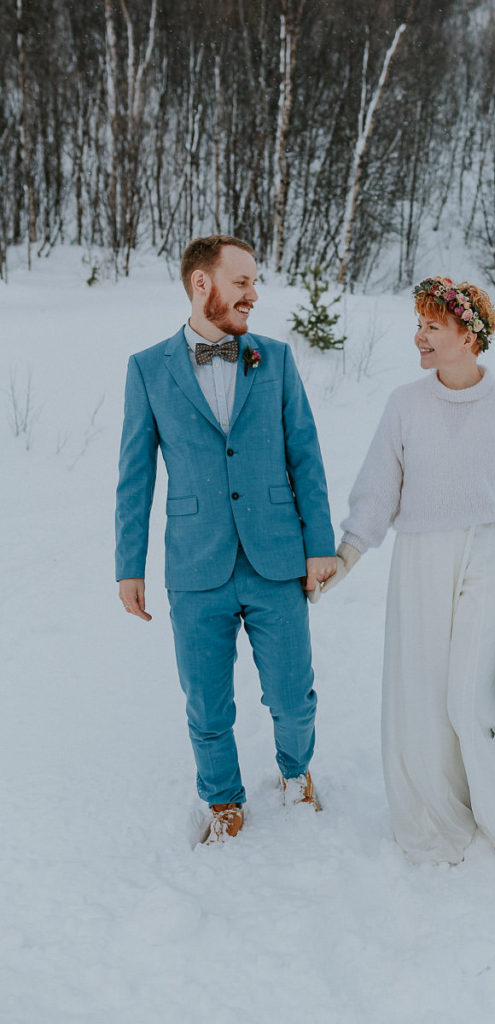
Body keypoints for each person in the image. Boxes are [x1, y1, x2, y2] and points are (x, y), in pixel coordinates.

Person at [320, 276, 495, 870]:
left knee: (471, 696)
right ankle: (437, 819)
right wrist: (345, 557)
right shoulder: (404, 404)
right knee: (422, 696)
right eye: (418, 324)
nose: (419, 336)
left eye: (432, 326)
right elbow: (377, 493)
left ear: (468, 336)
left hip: (488, 556)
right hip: (420, 557)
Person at [115, 235, 336, 844]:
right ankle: (223, 800)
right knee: (207, 705)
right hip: (195, 563)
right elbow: (135, 475)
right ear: (201, 284)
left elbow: (305, 458)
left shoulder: (277, 359)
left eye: (254, 282)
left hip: (276, 557)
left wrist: (321, 546)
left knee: (293, 696)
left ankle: (296, 772)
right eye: (241, 282)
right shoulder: (146, 368)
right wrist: (126, 565)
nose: (253, 295)